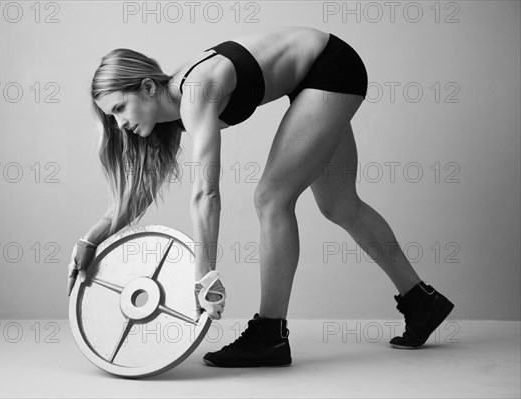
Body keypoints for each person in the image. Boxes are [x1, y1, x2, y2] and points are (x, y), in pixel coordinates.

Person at [67, 26, 454, 368]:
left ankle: (270, 334)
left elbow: (206, 192)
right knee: (339, 204)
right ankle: (422, 301)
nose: (120, 125)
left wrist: (205, 278)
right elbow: (140, 194)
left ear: (147, 87)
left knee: (271, 198)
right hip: (315, 77)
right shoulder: (168, 115)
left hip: (330, 67)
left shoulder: (196, 92)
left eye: (119, 108)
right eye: (111, 117)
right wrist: (91, 238)